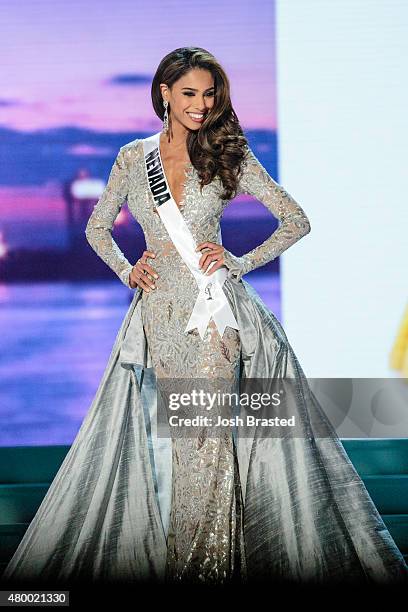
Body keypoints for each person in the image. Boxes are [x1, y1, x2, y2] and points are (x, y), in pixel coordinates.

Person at [2, 46, 407, 589]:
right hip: (159, 319)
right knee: (186, 449)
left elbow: (295, 219)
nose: (201, 104)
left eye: (209, 93)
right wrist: (128, 271)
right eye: (189, 93)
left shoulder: (227, 151)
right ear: (164, 93)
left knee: (206, 446)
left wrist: (239, 262)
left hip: (213, 318)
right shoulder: (131, 157)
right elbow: (97, 228)